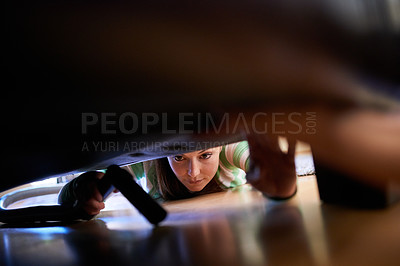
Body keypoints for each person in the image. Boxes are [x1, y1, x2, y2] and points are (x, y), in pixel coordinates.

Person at [58, 133, 298, 216]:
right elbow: (68, 197)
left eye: (205, 156)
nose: (193, 173)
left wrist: (284, 191)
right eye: (179, 157)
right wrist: (84, 186)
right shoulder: (148, 162)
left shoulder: (227, 150)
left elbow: (257, 163)